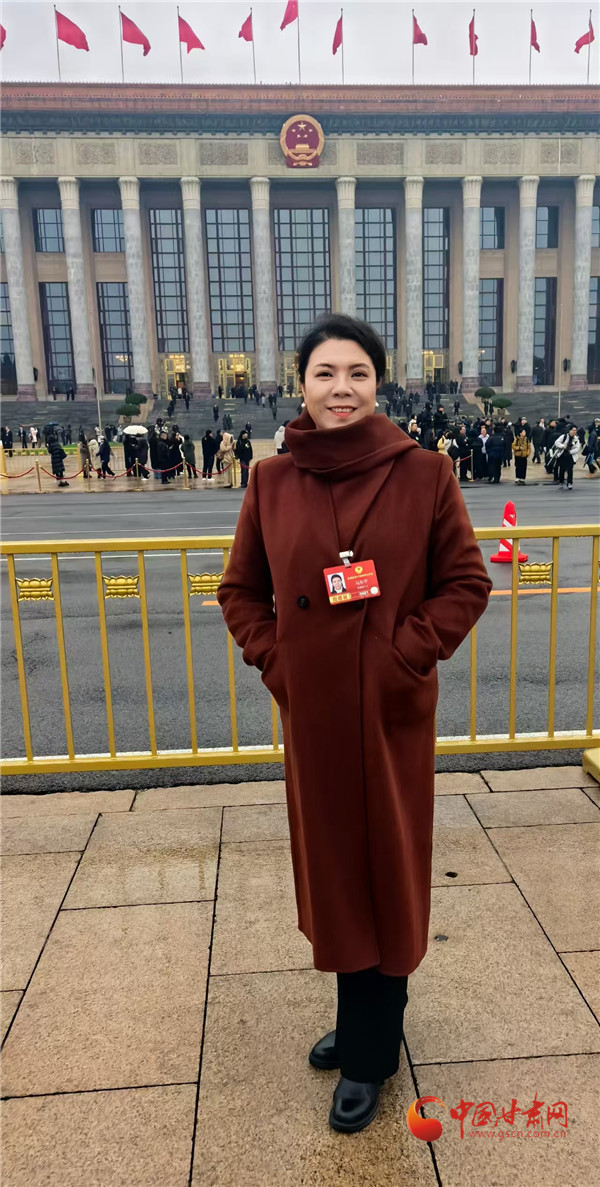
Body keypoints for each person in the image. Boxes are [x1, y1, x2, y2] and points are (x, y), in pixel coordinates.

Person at [217, 314, 492, 1135]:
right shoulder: (272, 480)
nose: (342, 388)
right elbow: (240, 591)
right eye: (326, 373)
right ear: (301, 384)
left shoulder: (425, 472)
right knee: (338, 871)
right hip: (316, 717)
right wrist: (279, 661)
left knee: (388, 868)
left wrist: (404, 654)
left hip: (390, 713)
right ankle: (363, 1018)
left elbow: (466, 582)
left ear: (380, 382)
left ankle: (371, 1052)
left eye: (359, 373)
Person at [552, 425, 580, 489]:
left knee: (570, 470)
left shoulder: (576, 439)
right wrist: (563, 446)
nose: (574, 432)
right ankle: (561, 481)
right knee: (562, 469)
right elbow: (556, 442)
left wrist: (570, 452)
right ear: (569, 430)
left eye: (575, 430)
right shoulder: (564, 436)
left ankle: (569, 483)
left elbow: (577, 448)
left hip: (570, 456)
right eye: (573, 430)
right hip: (562, 455)